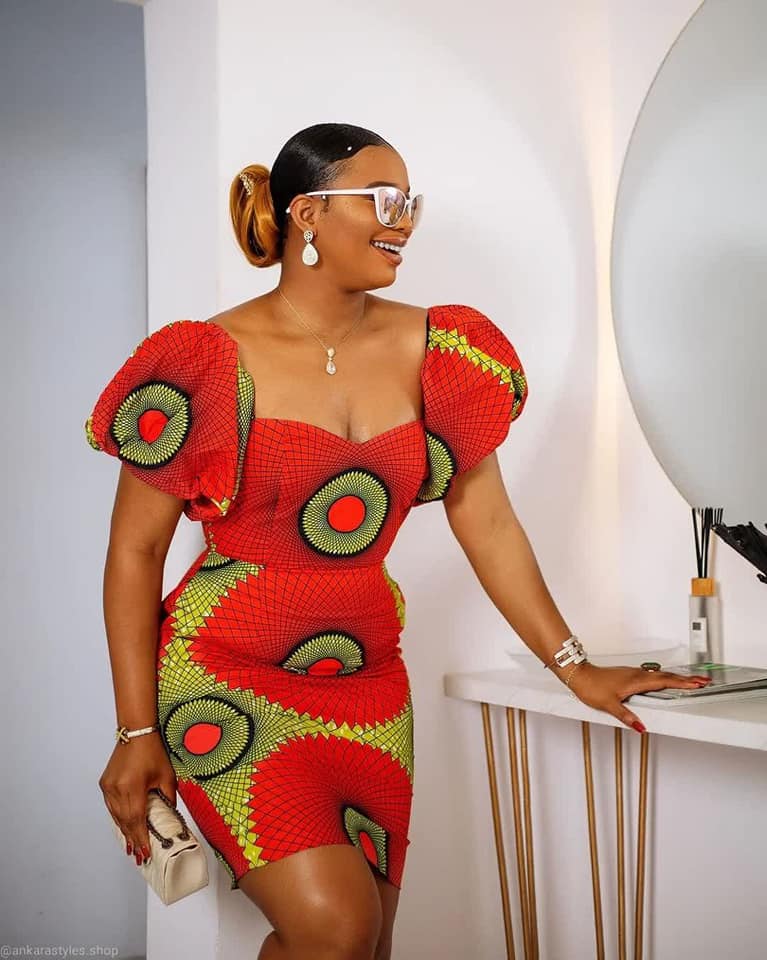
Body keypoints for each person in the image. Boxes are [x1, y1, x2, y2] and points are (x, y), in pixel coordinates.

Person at [85, 121, 711, 960]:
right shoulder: (204, 359)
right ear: (307, 213)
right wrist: (135, 733)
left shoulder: (440, 350)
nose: (404, 220)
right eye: (383, 200)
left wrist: (573, 666)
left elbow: (487, 521)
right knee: (336, 929)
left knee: (363, 945)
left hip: (368, 685)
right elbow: (134, 553)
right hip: (228, 673)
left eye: (410, 201)